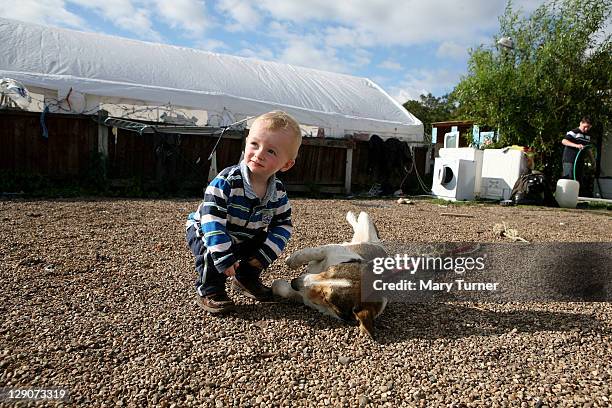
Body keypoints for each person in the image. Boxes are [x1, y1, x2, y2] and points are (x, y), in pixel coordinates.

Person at [185, 111, 302, 313]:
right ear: (246, 142)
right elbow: (212, 219)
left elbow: (283, 223)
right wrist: (224, 257)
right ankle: (210, 289)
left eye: (271, 151)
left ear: (287, 164)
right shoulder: (226, 182)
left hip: (243, 235)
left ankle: (246, 278)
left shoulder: (278, 192)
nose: (259, 154)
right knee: (210, 252)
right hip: (207, 229)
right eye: (255, 144)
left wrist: (264, 255)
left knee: (262, 242)